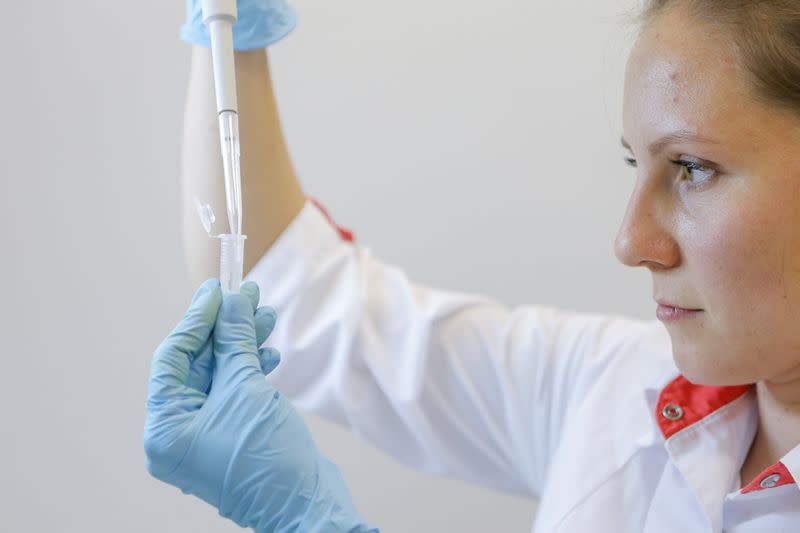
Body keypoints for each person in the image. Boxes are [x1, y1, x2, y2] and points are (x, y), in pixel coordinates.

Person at [145, 0, 800, 531]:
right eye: (637, 162)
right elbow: (290, 289)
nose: (630, 241)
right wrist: (229, 31)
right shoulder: (621, 386)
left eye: (692, 169)